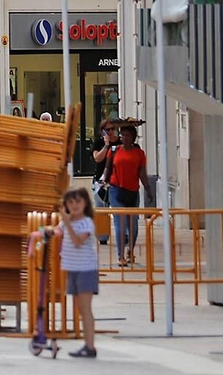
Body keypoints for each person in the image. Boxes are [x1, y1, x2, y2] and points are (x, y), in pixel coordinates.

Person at [43, 187, 100, 358]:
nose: (74, 205)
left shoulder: (86, 223)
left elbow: (77, 242)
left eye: (78, 201)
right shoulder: (66, 222)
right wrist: (46, 231)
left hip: (86, 270)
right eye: (70, 202)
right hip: (73, 269)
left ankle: (90, 346)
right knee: (80, 309)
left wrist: (66, 224)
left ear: (85, 203)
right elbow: (57, 231)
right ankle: (87, 345)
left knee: (85, 309)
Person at [107, 124, 149, 266]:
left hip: (132, 191)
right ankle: (120, 256)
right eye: (122, 135)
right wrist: (104, 183)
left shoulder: (139, 154)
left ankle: (130, 250)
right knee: (120, 222)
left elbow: (142, 173)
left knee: (133, 225)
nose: (124, 138)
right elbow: (107, 168)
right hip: (116, 190)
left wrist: (148, 188)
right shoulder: (114, 150)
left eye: (128, 135)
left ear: (133, 138)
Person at [91, 119, 119, 246]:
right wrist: (106, 145)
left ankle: (123, 234)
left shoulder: (120, 142)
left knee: (118, 208)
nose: (111, 132)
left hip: (117, 180)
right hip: (101, 181)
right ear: (102, 131)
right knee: (101, 208)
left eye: (113, 129)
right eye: (108, 130)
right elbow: (97, 158)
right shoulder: (98, 142)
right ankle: (102, 236)